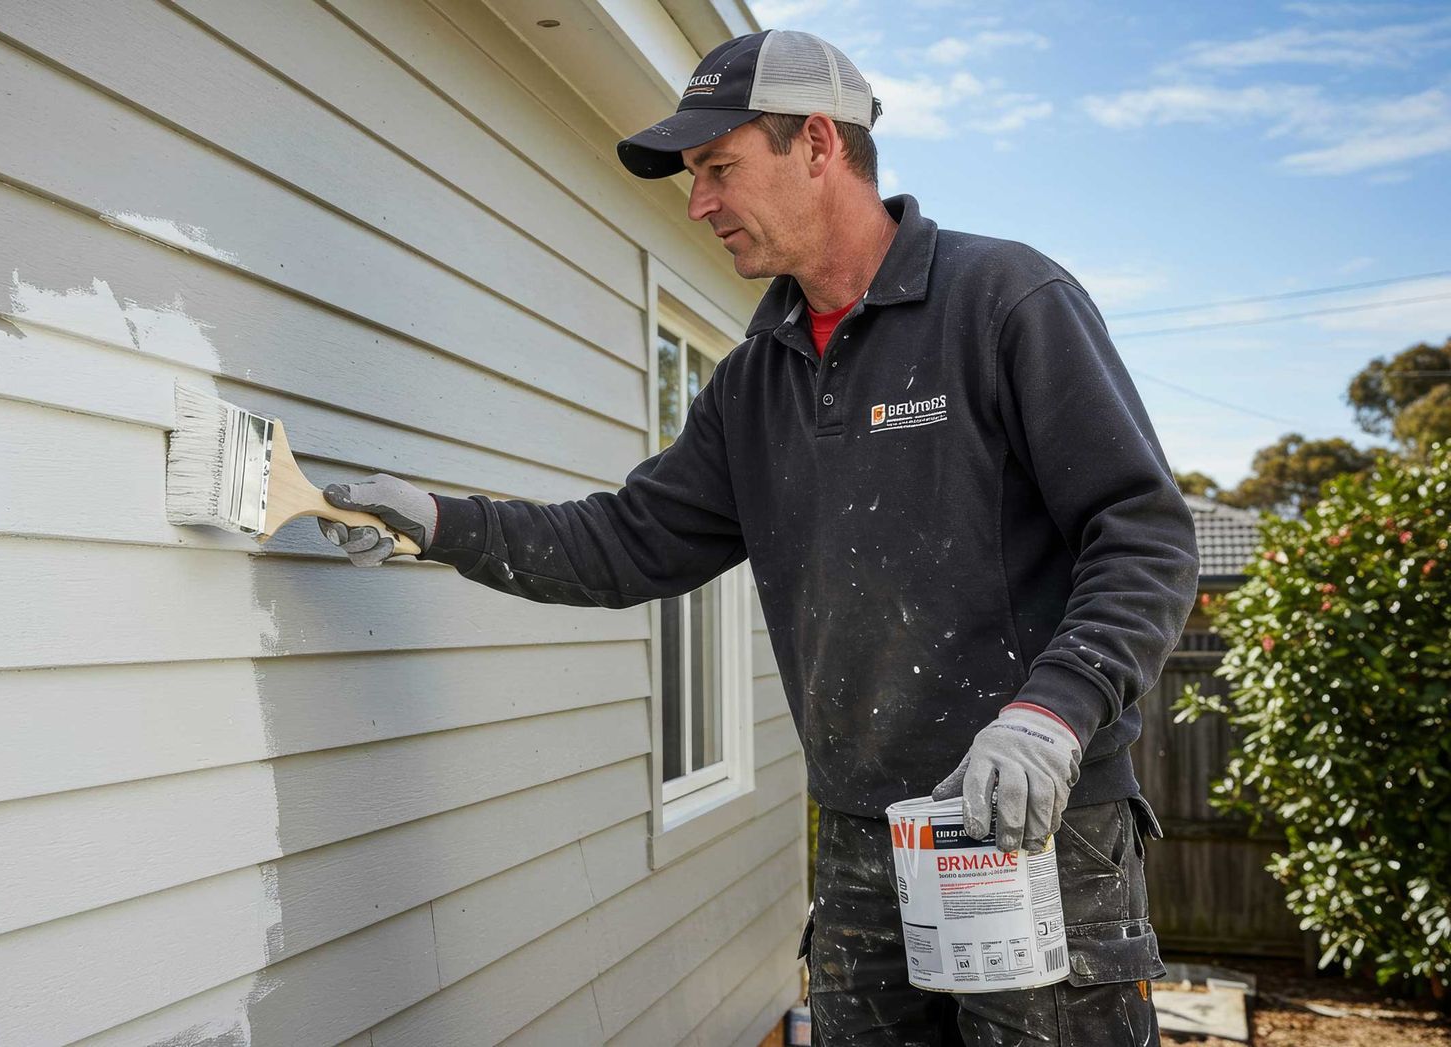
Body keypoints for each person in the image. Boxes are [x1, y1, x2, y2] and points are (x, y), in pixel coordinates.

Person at [317, 28, 1196, 1047]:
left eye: (719, 169)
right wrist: (440, 524)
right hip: (869, 842)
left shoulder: (1003, 304)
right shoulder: (754, 382)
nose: (699, 205)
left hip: (1034, 824)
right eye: (695, 178)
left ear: (819, 145)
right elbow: (628, 540)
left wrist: (1053, 713)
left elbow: (1143, 535)